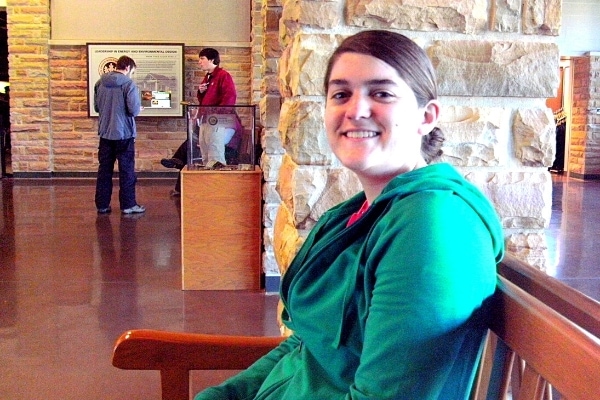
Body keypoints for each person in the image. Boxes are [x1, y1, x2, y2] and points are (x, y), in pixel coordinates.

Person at [194, 30, 505, 399]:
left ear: (427, 116)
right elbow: (306, 346)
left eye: (382, 93)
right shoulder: (356, 213)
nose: (355, 110)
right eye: (341, 94)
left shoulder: (432, 226)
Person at [160, 48, 241, 196]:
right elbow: (205, 100)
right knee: (205, 152)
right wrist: (201, 92)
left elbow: (230, 97)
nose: (199, 62)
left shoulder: (223, 76)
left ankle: (219, 190)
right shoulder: (209, 77)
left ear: (211, 60)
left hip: (217, 121)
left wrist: (217, 115)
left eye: (202, 58)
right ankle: (209, 188)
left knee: (215, 153)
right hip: (207, 120)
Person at [94, 55, 145, 215]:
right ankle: (128, 205)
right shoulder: (128, 84)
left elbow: (97, 107)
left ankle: (102, 205)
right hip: (124, 134)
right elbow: (133, 110)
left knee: (104, 170)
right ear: (128, 68)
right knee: (127, 170)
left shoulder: (99, 82)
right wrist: (139, 109)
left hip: (105, 133)